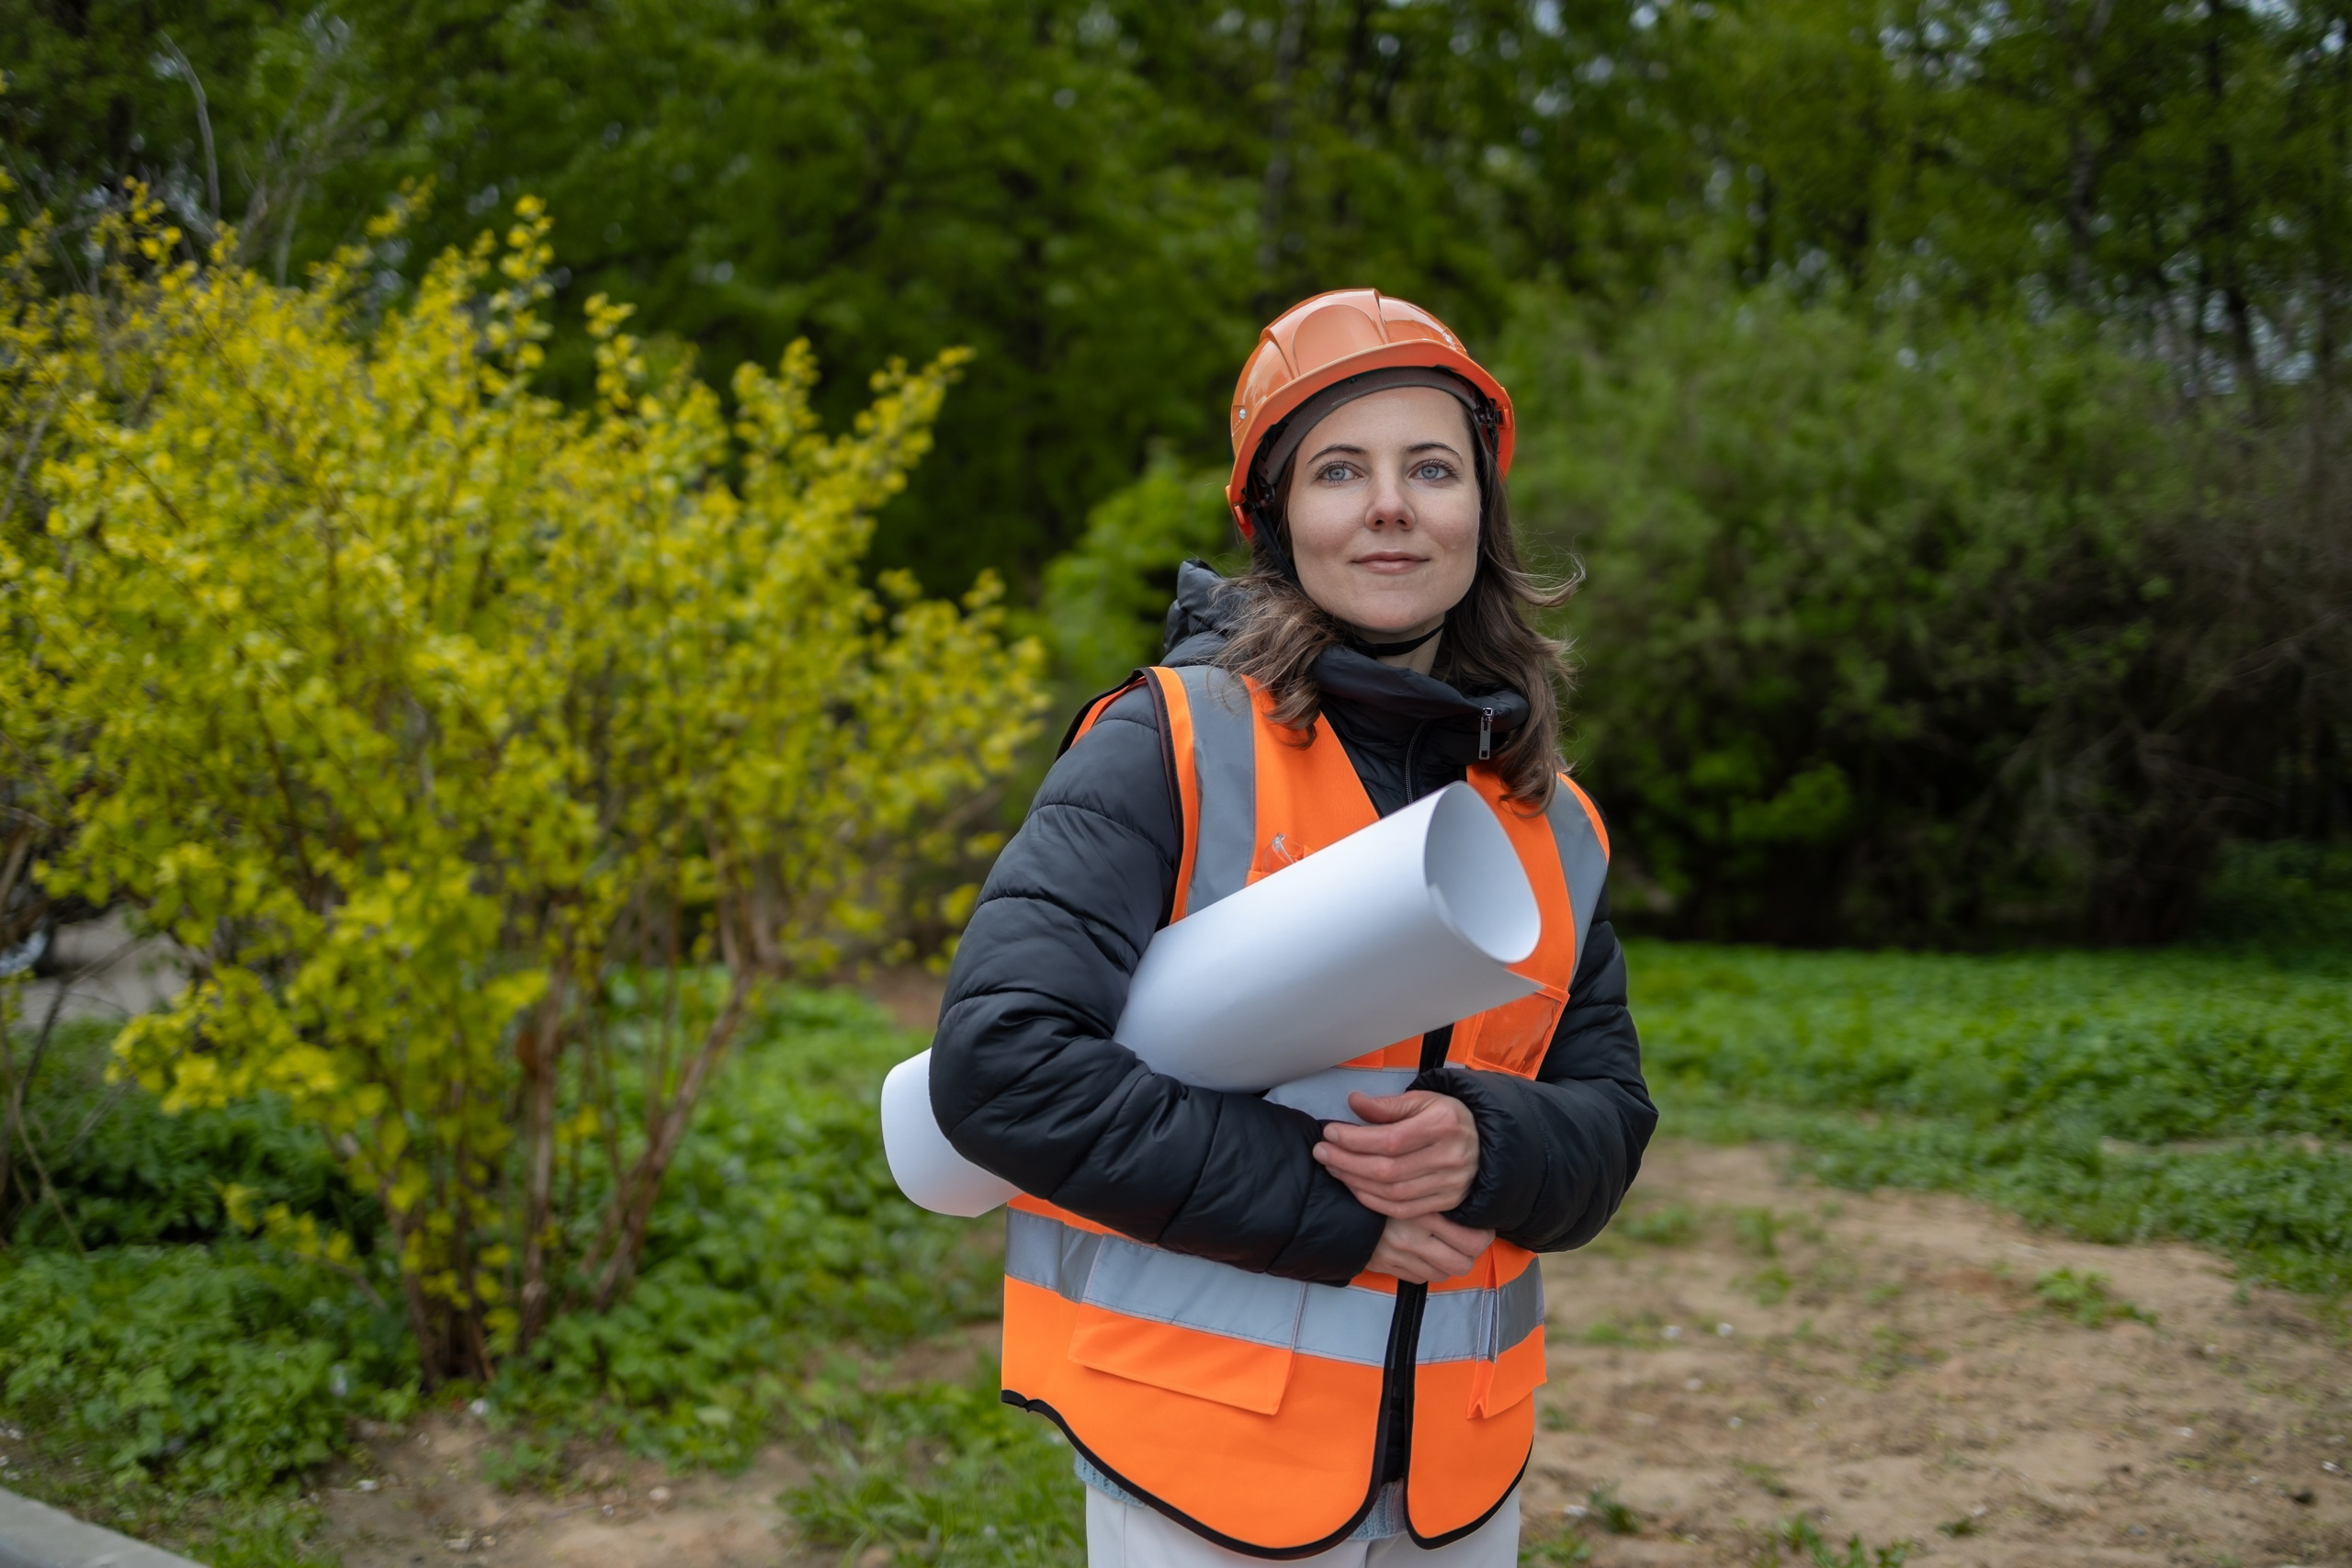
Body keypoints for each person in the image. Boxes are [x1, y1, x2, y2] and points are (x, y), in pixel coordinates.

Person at [930, 289, 1655, 1568]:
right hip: (1201, 1469)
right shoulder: (1169, 745)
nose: (1392, 504)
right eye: (1341, 470)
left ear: (1479, 513)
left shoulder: (1560, 823)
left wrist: (1489, 1144)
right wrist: (1343, 1214)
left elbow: (1609, 1120)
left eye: (1432, 467)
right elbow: (1001, 1064)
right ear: (1275, 519)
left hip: (1457, 1479)